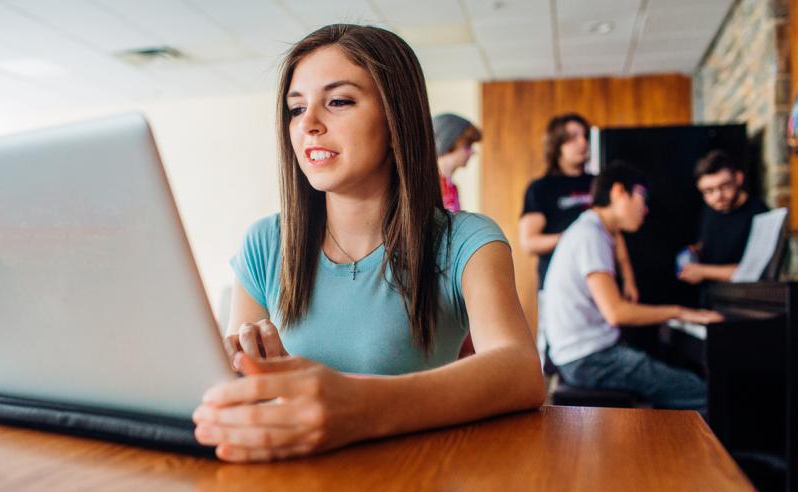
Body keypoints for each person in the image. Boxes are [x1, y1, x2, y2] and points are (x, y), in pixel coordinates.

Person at [191, 24, 545, 463]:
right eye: (296, 109)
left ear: (396, 120)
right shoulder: (265, 241)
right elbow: (238, 391)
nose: (309, 125)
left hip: (410, 487)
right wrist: (248, 370)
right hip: (289, 489)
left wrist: (359, 407)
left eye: (338, 102)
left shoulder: (467, 241)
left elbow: (520, 371)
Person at [542, 162, 722, 410]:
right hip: (590, 360)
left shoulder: (594, 228)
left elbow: (617, 240)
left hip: (581, 356)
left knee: (676, 383)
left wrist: (628, 278)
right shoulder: (590, 236)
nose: (646, 209)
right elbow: (616, 313)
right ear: (618, 192)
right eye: (642, 197)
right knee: (703, 393)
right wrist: (681, 312)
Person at [519, 113, 638, 371]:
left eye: (585, 135)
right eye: (572, 137)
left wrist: (628, 277)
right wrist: (574, 237)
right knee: (555, 361)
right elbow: (529, 242)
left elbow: (615, 231)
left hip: (602, 282)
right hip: (563, 289)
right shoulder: (541, 188)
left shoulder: (597, 183)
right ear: (557, 144)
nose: (582, 142)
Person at [677, 149, 768, 285]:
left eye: (724, 186)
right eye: (709, 191)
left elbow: (754, 271)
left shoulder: (761, 215)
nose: (717, 196)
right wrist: (696, 251)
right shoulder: (710, 210)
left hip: (744, 299)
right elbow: (709, 243)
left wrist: (702, 271)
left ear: (738, 178)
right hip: (712, 297)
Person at [432, 113, 482, 213]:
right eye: (468, 145)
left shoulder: (451, 188)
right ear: (449, 145)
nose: (472, 151)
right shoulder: (429, 187)